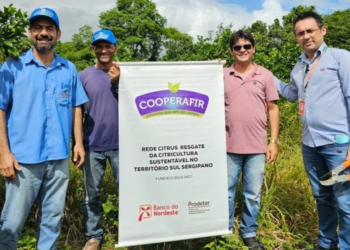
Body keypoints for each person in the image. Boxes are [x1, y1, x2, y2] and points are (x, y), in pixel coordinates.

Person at [0, 7, 88, 250]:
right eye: (38, 28)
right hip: (23, 161)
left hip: (59, 158)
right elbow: (0, 109)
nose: (43, 33)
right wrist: (3, 153)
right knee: (11, 223)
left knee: (52, 220)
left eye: (49, 28)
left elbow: (75, 107)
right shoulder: (11, 67)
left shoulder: (68, 69)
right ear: (30, 33)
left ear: (58, 34)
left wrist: (78, 143)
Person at [275, 11, 350, 250]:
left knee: (345, 200)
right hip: (310, 145)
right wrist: (266, 76)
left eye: (310, 31)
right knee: (322, 196)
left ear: (322, 30)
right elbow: (291, 95)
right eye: (300, 33)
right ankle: (327, 242)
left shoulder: (341, 58)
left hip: (339, 146)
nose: (306, 36)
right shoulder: (299, 65)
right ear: (296, 37)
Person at [224, 30, 279, 250]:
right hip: (228, 146)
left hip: (257, 147)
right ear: (232, 51)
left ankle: (248, 232)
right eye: (237, 47)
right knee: (226, 191)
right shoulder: (222, 75)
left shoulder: (265, 75)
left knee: (253, 193)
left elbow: (273, 108)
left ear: (253, 49)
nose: (242, 50)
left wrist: (273, 142)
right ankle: (224, 231)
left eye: (247, 46)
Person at [78, 29, 120, 250]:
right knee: (91, 194)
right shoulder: (82, 76)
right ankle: (94, 236)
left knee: (129, 191)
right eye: (99, 46)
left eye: (108, 46)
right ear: (93, 48)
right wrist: (77, 144)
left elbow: (137, 105)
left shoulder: (125, 73)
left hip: (123, 146)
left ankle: (131, 233)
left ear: (115, 48)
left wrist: (117, 82)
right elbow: (76, 112)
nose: (104, 50)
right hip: (92, 145)